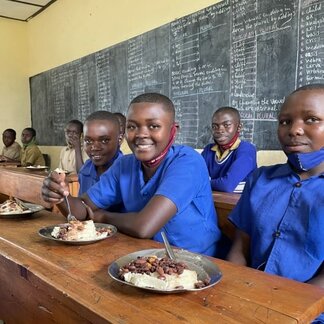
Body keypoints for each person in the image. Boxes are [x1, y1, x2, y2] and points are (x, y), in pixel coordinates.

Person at [42, 93, 222, 257]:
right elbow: (81, 209)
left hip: (195, 260)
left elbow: (144, 226)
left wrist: (101, 217)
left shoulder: (188, 161)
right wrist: (60, 195)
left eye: (154, 126)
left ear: (173, 130)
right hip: (143, 256)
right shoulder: (125, 164)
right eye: (132, 126)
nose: (141, 134)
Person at [227, 84, 324, 323]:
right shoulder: (260, 179)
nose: (294, 130)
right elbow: (241, 246)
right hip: (249, 297)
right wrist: (234, 291)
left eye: (311, 119)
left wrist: (279, 306)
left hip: (310, 311)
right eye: (285, 121)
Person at [201, 107, 257, 193]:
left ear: (239, 127)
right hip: (215, 201)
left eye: (226, 125)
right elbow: (192, 178)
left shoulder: (246, 150)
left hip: (239, 204)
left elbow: (227, 185)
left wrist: (202, 183)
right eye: (215, 126)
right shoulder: (209, 150)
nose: (220, 130)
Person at [78, 111, 123, 195]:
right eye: (88, 141)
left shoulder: (127, 172)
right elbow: (82, 204)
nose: (94, 147)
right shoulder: (86, 170)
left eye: (104, 140)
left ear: (119, 139)